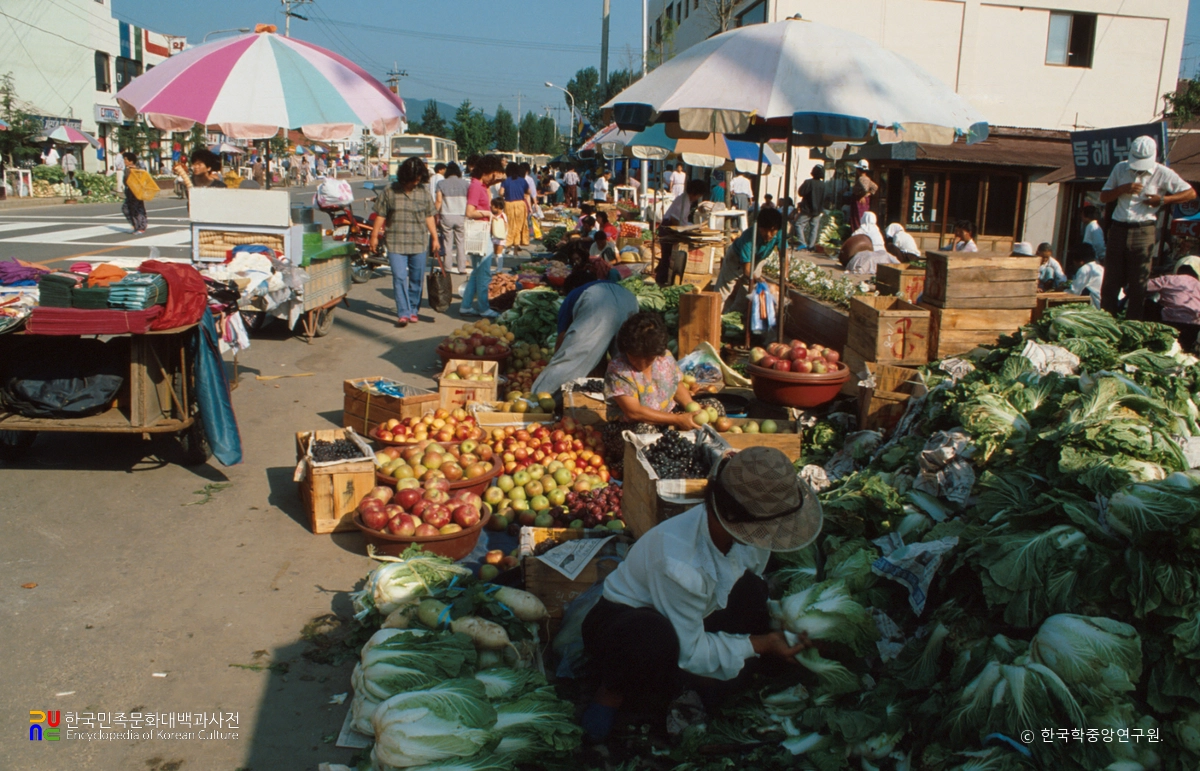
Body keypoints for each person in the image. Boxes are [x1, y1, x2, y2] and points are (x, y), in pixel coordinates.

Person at [579, 446, 822, 741]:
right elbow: (691, 651)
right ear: (732, 518)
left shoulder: (751, 533)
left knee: (753, 593)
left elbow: (747, 579)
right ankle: (611, 692)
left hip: (692, 612)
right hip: (626, 626)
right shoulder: (678, 560)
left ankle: (686, 684)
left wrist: (779, 623)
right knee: (650, 640)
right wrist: (764, 643)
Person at [1099, 135, 1197, 320]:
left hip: (1144, 229)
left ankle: (1132, 324)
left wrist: (1162, 200)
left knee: (1139, 284)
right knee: (1111, 281)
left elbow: (1190, 193)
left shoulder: (1163, 173)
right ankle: (1106, 321)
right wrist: (1122, 189)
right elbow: (1104, 197)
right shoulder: (1120, 168)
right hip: (1119, 227)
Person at [529, 279, 640, 396]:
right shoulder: (604, 285)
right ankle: (631, 402)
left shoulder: (572, 296)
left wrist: (556, 364)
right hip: (629, 299)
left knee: (572, 358)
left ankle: (538, 399)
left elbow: (562, 342)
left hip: (599, 301)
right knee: (626, 361)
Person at [370, 156, 439, 327]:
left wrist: (435, 238)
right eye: (413, 179)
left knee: (416, 278)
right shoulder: (389, 191)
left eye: (419, 179)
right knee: (399, 277)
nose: (416, 182)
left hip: (419, 242)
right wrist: (373, 236)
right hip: (395, 242)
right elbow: (381, 215)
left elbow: (429, 216)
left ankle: (413, 309)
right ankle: (403, 312)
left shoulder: (423, 192)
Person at [604, 311, 698, 428]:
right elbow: (634, 412)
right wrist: (677, 419)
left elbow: (676, 384)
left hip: (668, 419)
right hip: (631, 426)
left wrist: (691, 406)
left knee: (713, 406)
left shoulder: (665, 357)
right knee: (644, 430)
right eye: (635, 357)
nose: (642, 364)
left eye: (649, 359)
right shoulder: (618, 369)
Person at [459, 154, 507, 312]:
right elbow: (469, 212)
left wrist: (496, 179)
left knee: (477, 272)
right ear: (487, 171)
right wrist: (487, 214)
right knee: (484, 272)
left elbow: (499, 179)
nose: (494, 179)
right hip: (479, 232)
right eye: (493, 174)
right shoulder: (475, 186)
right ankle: (484, 308)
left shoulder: (481, 186)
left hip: (481, 232)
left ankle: (466, 306)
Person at [714, 208, 784, 312]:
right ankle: (713, 317)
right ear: (759, 226)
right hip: (735, 259)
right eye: (765, 229)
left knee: (747, 294)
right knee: (723, 291)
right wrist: (759, 280)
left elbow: (784, 254)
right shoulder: (749, 237)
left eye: (772, 230)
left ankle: (732, 317)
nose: (768, 234)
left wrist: (784, 277)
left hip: (757, 259)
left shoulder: (779, 233)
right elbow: (747, 270)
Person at [655, 179, 709, 285]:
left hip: (671, 227)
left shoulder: (686, 200)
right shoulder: (683, 201)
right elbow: (674, 219)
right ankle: (661, 280)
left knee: (667, 257)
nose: (697, 198)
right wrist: (681, 232)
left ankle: (663, 278)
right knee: (667, 257)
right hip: (668, 228)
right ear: (694, 193)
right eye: (698, 195)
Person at [1146, 256, 1200, 350]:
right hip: (1193, 326)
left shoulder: (1168, 279)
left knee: (1149, 303)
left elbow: (1142, 286)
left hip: (1169, 322)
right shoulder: (1198, 285)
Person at [436, 162, 470, 274]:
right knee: (460, 242)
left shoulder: (441, 183)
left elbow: (439, 201)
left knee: (447, 242)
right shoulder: (465, 184)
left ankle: (447, 267)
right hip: (461, 215)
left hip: (447, 215)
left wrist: (434, 214)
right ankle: (461, 267)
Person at [501, 163, 531, 250]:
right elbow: (529, 192)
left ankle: (509, 241)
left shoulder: (506, 181)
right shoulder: (523, 180)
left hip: (509, 204)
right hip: (520, 204)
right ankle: (517, 242)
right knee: (520, 224)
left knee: (509, 223)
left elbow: (501, 193)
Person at [796, 165, 826, 247]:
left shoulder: (808, 182)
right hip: (817, 211)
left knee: (798, 224)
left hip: (807, 209)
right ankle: (811, 246)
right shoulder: (823, 185)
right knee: (814, 228)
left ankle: (802, 242)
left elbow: (800, 192)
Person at [120, 151, 148, 234]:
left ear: (131, 161)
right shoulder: (127, 169)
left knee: (137, 209)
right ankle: (134, 225)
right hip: (129, 192)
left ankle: (141, 227)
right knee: (126, 208)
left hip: (136, 192)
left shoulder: (135, 169)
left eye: (126, 159)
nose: (124, 161)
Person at [849, 160, 877, 230]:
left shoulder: (862, 178)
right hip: (863, 200)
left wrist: (862, 196)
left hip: (859, 200)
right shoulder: (868, 178)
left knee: (858, 218)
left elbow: (864, 188)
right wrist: (869, 194)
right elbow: (875, 187)